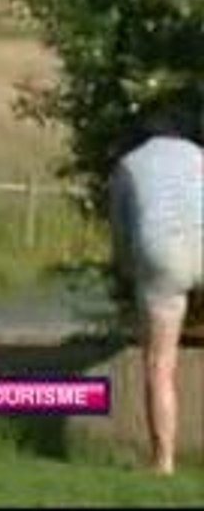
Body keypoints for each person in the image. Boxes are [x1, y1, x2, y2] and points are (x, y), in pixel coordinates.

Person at [109, 112, 204, 475]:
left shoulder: (128, 165)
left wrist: (129, 273)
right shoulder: (199, 156)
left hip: (163, 256)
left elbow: (120, 237)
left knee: (160, 365)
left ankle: (163, 461)